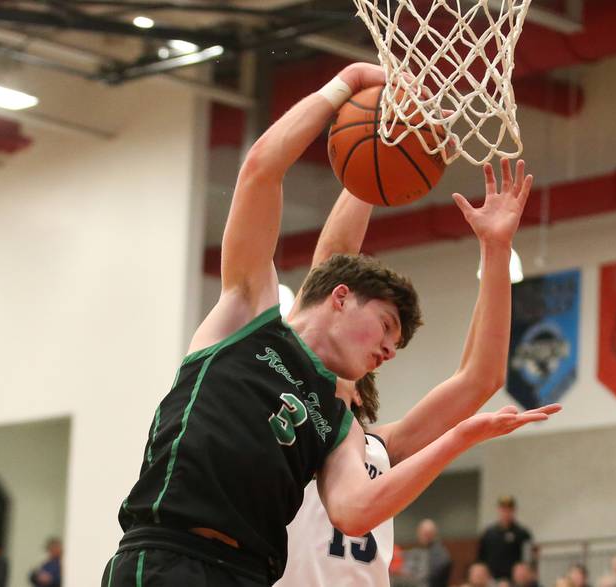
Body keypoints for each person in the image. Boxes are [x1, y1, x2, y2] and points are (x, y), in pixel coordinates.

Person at [102, 61, 559, 587]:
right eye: (386, 329)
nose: (389, 351)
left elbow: (356, 507)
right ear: (341, 300)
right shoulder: (250, 319)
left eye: (395, 344)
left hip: (246, 573)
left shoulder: (342, 430)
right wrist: (348, 91)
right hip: (169, 552)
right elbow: (269, 183)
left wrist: (462, 435)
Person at [279, 156, 542, 587]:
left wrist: (496, 249)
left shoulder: (380, 448)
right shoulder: (286, 419)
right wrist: (372, 162)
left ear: (360, 396)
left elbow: (481, 378)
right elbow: (330, 266)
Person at [478, 496, 534, 580]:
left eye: (509, 510)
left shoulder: (522, 533)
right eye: (503, 510)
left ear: (514, 511)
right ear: (498, 510)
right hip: (492, 579)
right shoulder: (489, 533)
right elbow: (481, 557)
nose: (506, 513)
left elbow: (528, 559)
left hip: (515, 581)